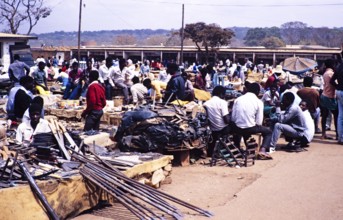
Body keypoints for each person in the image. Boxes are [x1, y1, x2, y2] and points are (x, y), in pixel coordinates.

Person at [231, 82, 273, 159]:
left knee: (243, 127)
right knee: (268, 132)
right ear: (257, 92)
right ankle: (262, 150)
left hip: (237, 128)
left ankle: (238, 148)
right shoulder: (258, 102)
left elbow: (233, 118)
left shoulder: (238, 99)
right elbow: (259, 122)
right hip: (249, 128)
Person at [203, 86, 231, 156]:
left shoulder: (206, 103)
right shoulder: (222, 102)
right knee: (238, 127)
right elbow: (226, 120)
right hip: (222, 129)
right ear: (221, 94)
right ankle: (236, 147)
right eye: (224, 95)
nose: (224, 96)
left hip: (213, 129)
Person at [320, 59, 338, 140]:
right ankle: (338, 133)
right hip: (331, 96)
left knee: (324, 115)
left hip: (324, 95)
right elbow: (335, 83)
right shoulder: (331, 74)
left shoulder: (325, 73)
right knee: (336, 115)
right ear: (332, 65)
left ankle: (323, 134)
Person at [330, 62, 343, 144]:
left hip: (339, 91)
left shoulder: (339, 66)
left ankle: (340, 138)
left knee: (340, 116)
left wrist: (338, 86)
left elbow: (332, 80)